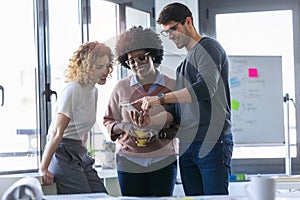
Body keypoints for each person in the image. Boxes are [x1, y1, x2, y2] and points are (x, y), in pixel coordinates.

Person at [132, 2, 233, 196]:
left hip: (212, 142)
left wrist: (159, 99)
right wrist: (150, 121)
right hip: (187, 147)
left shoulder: (209, 47)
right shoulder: (181, 68)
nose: (170, 36)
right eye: (166, 33)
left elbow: (205, 88)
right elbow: (175, 114)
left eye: (173, 29)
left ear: (188, 22)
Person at [103, 26, 178, 197]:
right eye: (131, 61)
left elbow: (182, 123)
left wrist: (160, 132)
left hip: (163, 160)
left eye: (141, 58)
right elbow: (108, 121)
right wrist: (124, 127)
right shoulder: (120, 88)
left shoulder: (172, 85)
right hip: (129, 161)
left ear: (153, 54)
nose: (137, 64)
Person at [40, 41, 114, 194]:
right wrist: (43, 167)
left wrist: (83, 153)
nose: (105, 71)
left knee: (102, 195)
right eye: (99, 67)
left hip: (79, 152)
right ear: (85, 67)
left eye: (107, 66)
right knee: (84, 197)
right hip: (62, 152)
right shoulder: (74, 89)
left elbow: (83, 131)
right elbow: (56, 133)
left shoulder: (93, 91)